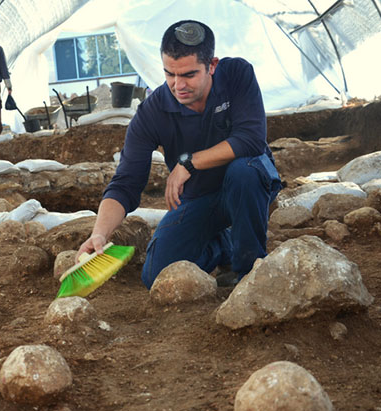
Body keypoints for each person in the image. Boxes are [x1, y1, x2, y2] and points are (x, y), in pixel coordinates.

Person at [77, 20, 281, 289]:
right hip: (201, 199)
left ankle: (249, 273)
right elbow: (126, 183)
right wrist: (99, 233)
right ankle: (225, 245)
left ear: (212, 65)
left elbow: (251, 140)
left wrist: (189, 162)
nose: (178, 85)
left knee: (244, 172)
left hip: (248, 186)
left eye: (188, 75)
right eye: (169, 74)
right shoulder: (152, 113)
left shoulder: (236, 74)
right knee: (157, 275)